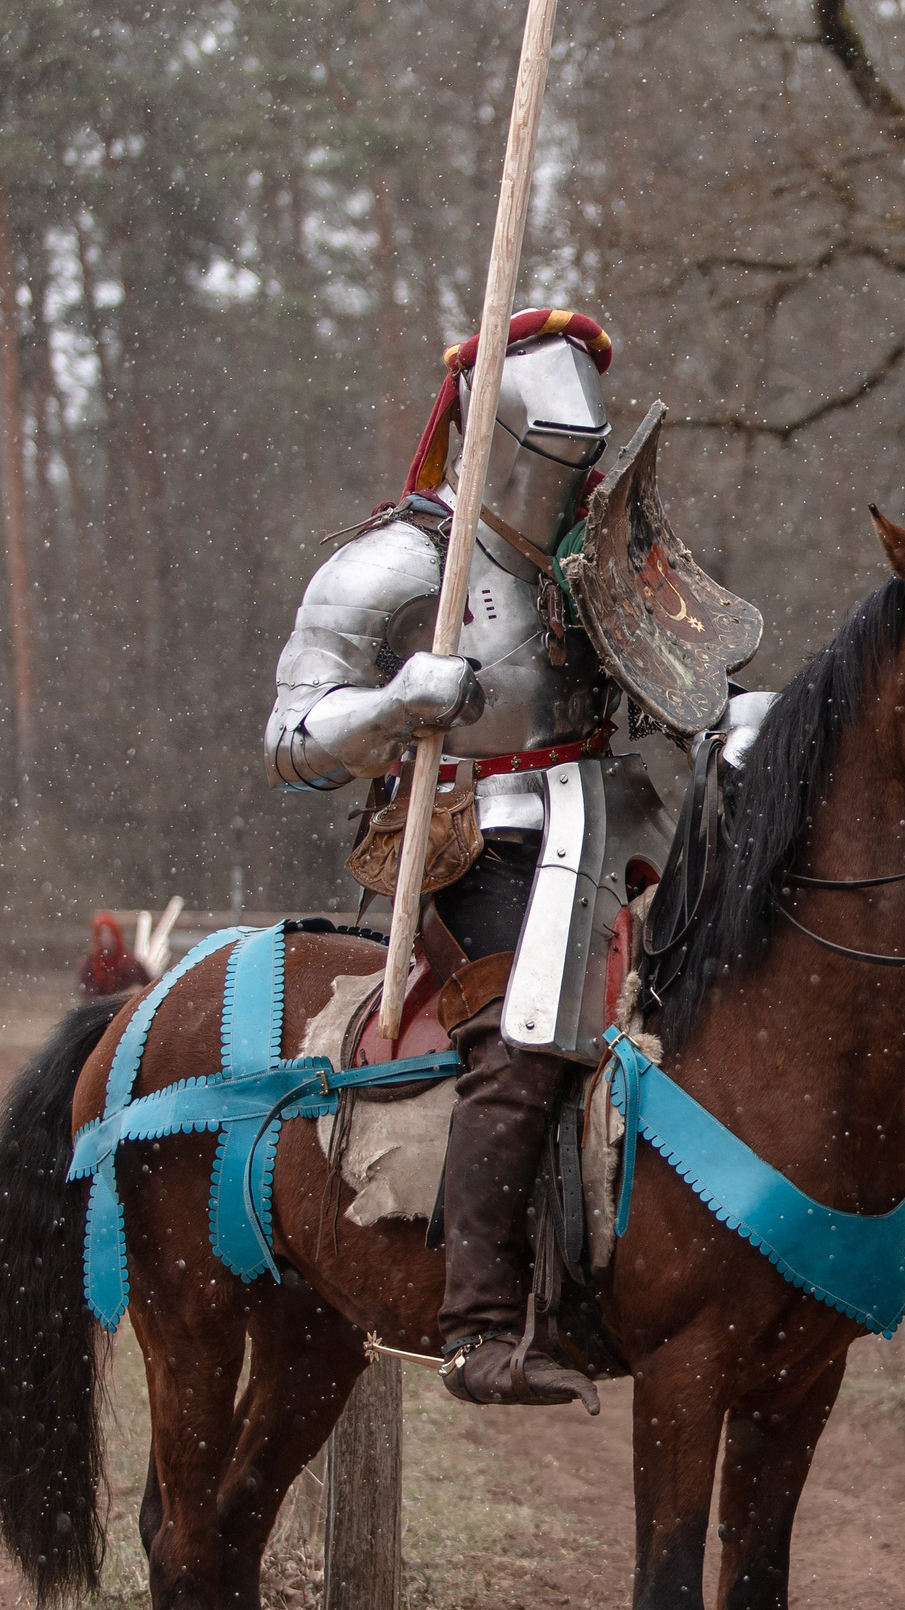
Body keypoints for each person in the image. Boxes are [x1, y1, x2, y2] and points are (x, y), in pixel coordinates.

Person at [265, 308, 674, 1412]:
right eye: (547, 458)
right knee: (529, 1034)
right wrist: (399, 701)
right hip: (466, 844)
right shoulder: (397, 564)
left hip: (619, 822)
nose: (563, 484)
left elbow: (679, 678)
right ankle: (483, 1320)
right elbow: (289, 739)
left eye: (579, 463)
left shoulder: (604, 563)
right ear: (487, 439)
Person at [77, 912, 148, 999]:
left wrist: (140, 992)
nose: (106, 937)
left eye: (110, 932)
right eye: (101, 933)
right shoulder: (89, 964)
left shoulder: (129, 961)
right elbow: (90, 999)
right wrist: (124, 995)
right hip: (103, 1011)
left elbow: (149, 983)